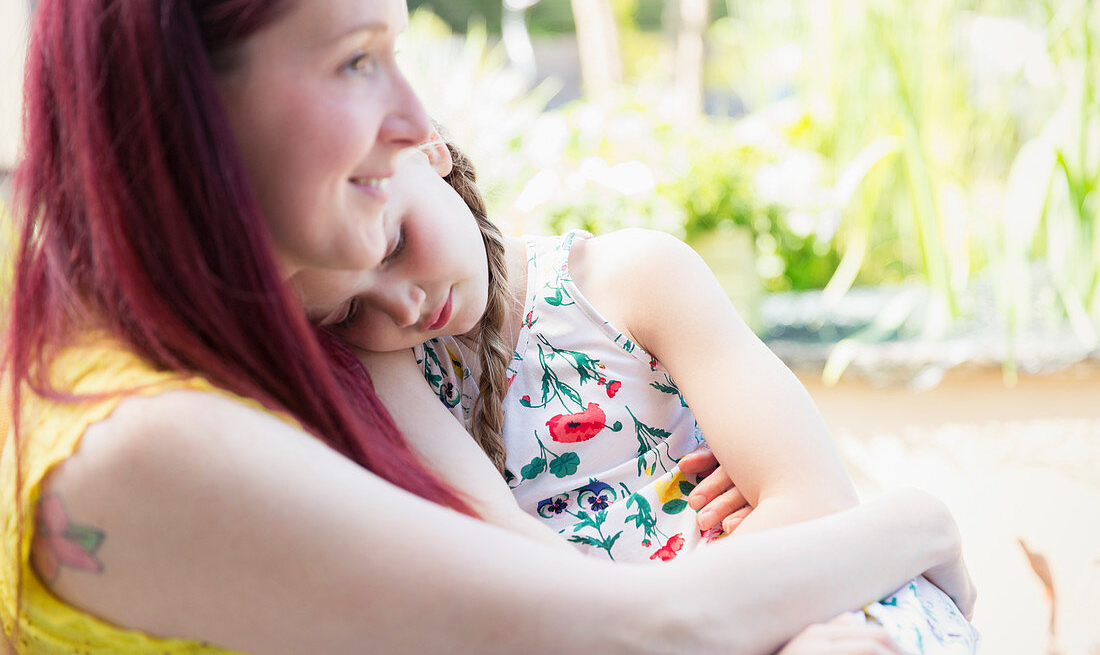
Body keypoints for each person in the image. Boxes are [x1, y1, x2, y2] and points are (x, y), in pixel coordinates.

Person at [0, 0, 975, 652]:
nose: (419, 114)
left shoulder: (252, 357)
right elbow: (636, 628)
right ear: (194, 108)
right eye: (356, 60)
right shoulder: (153, 438)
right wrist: (912, 520)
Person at [297, 141, 979, 653]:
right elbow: (521, 562)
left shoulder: (631, 279)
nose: (403, 305)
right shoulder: (385, 371)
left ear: (426, 148)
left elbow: (813, 499)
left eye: (392, 246)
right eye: (348, 310)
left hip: (799, 600)